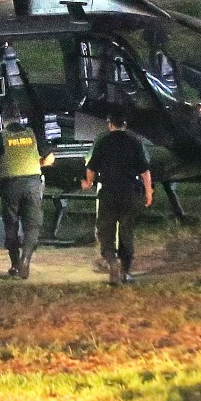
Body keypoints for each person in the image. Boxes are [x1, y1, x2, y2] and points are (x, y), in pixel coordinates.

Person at [80, 115, 153, 284]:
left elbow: (91, 167)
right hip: (130, 192)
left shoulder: (103, 141)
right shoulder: (135, 141)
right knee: (126, 232)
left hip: (108, 192)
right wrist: (149, 192)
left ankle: (112, 261)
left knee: (105, 230)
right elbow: (145, 171)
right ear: (125, 124)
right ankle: (125, 272)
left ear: (110, 124)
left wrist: (89, 182)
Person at [0, 115, 54, 280]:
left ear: (5, 120)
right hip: (32, 184)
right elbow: (50, 159)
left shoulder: (1, 137)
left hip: (10, 185)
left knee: (11, 225)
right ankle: (26, 259)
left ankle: (15, 264)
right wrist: (36, 164)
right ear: (19, 118)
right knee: (32, 225)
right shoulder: (32, 134)